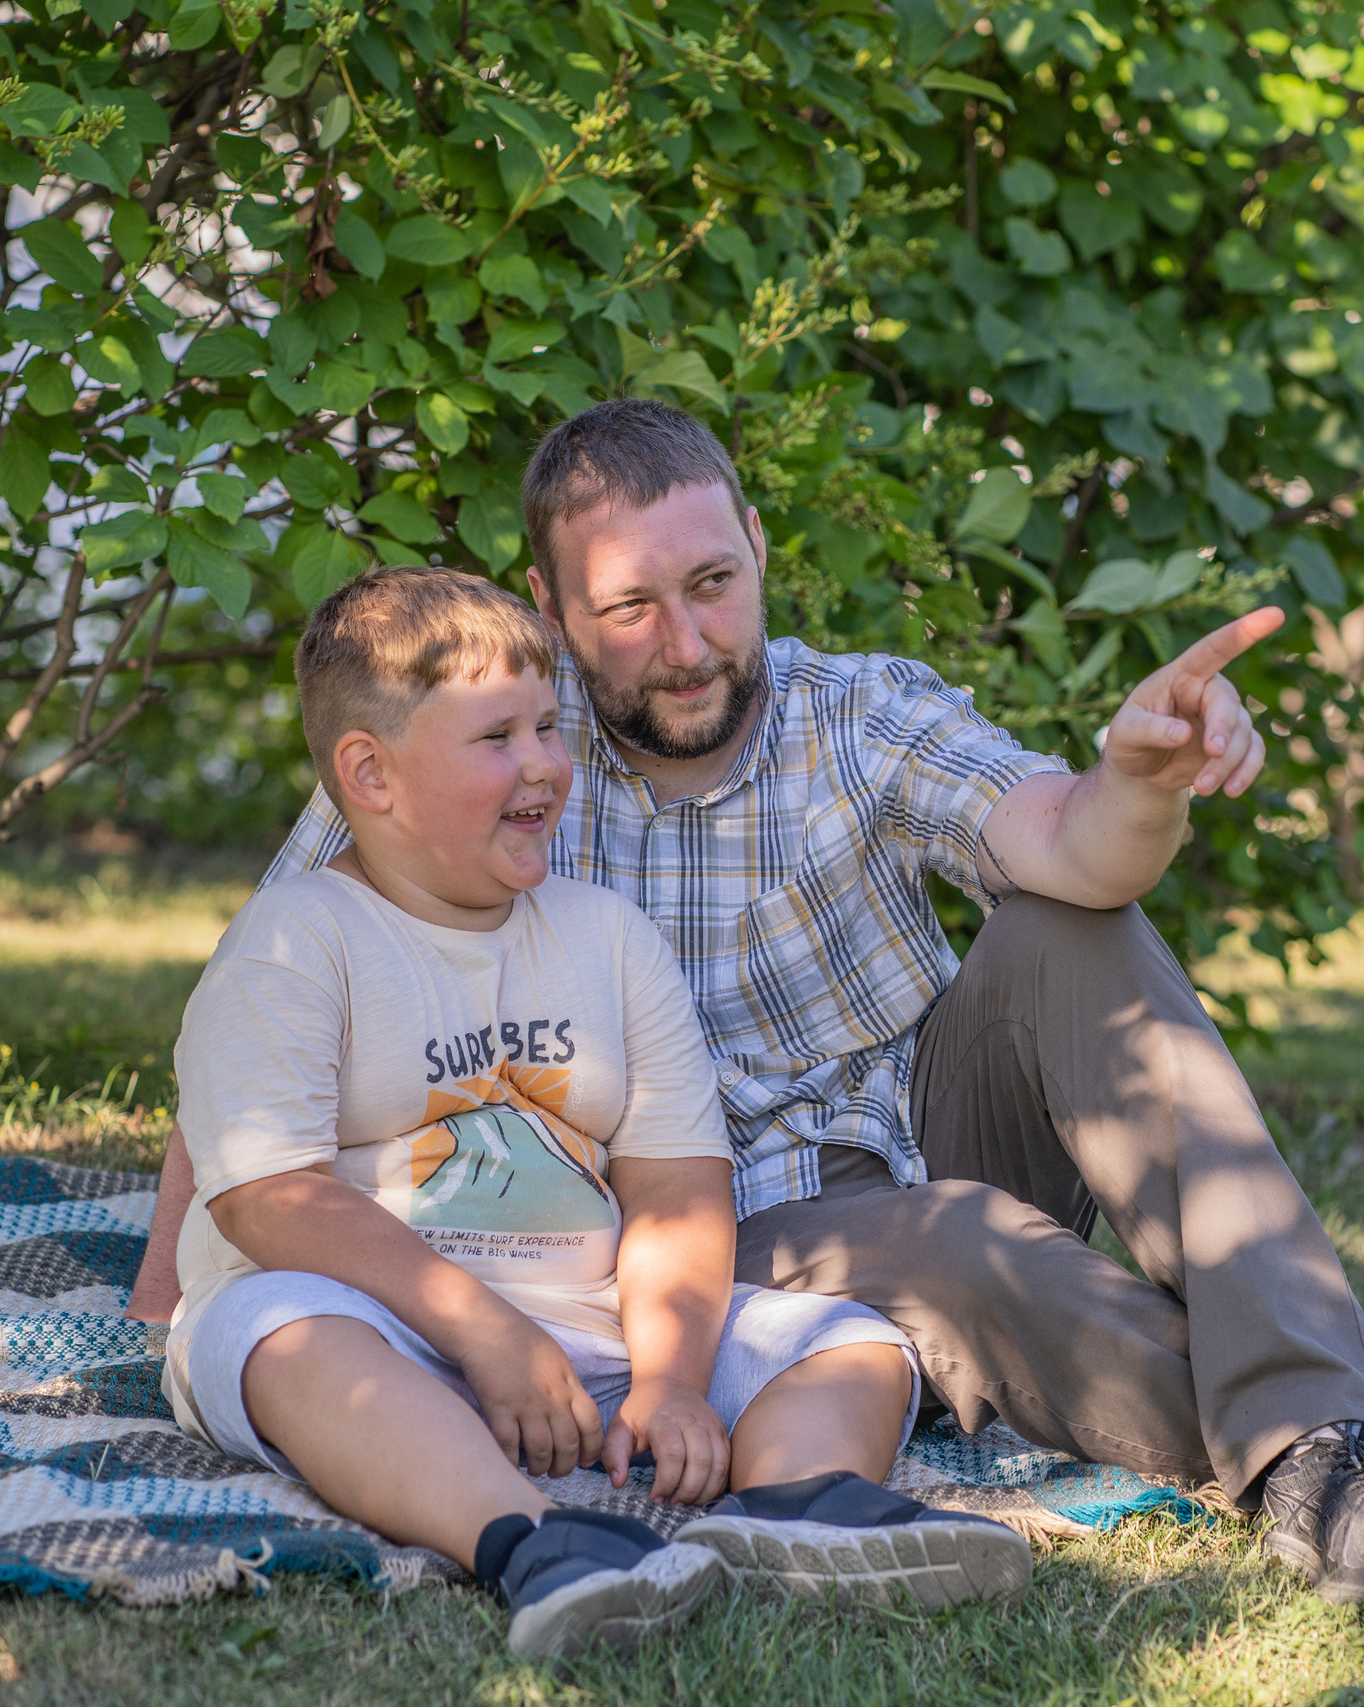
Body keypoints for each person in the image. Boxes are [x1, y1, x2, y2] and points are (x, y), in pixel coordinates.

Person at [136, 399, 1364, 1620]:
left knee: (1085, 928)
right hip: (704, 1230)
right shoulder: (493, 756)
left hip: (926, 1122)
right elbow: (292, 972)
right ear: (562, 613)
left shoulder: (859, 714)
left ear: (759, 553)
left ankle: (1329, 1446)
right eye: (632, 607)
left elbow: (1059, 834)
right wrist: (178, 1252)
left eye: (713, 582)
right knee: (957, 1247)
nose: (688, 638)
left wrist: (1142, 778)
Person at [164, 566, 1031, 1661]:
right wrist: (484, 1332)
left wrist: (669, 1381)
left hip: (593, 1332)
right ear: (369, 774)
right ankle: (528, 1540)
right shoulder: (296, 939)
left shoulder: (604, 939)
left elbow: (673, 1185)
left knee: (849, 1342)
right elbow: (266, 1198)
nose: (542, 768)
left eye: (547, 729)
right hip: (375, 1324)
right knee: (280, 1338)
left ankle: (800, 1507)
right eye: (496, 740)